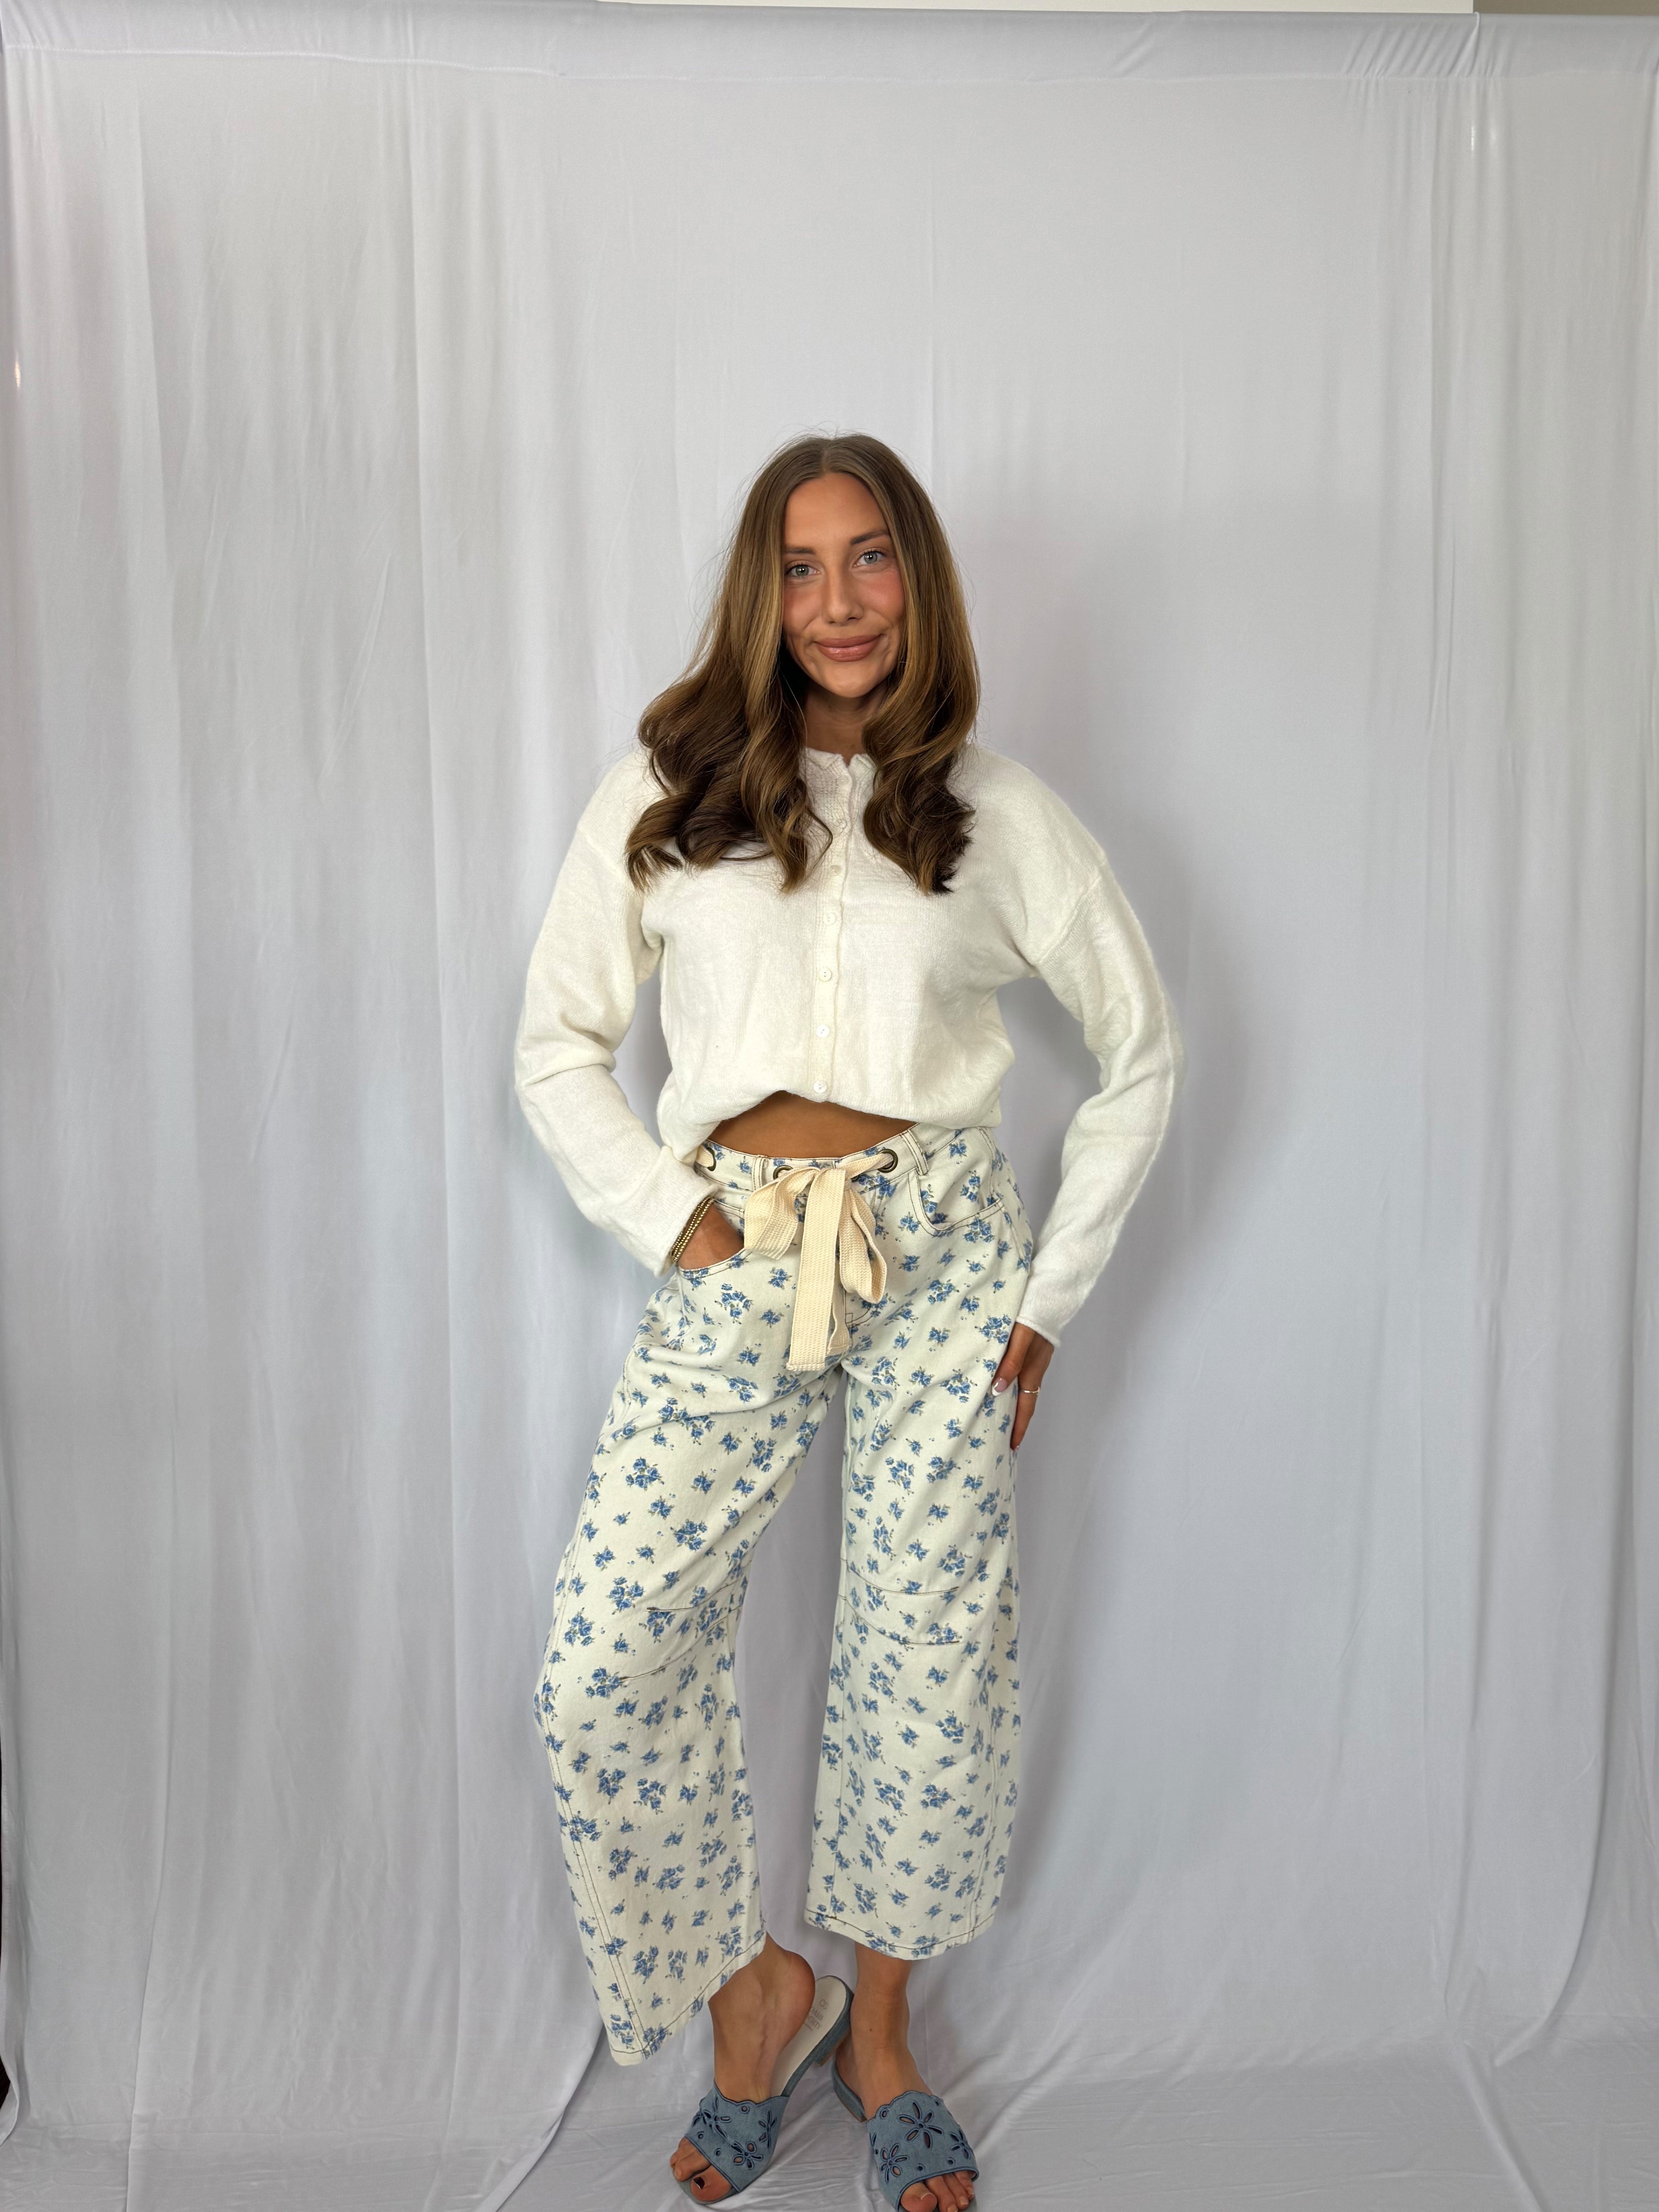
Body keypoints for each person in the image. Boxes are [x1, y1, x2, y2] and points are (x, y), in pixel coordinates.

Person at [515, 433, 1184, 2211]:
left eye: (870, 557)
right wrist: (675, 1218)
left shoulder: (995, 812)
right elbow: (557, 1045)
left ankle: (883, 2037)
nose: (838, 602)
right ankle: (760, 1995)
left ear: (919, 578)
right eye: (802, 566)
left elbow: (1143, 1050)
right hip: (737, 1246)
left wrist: (1050, 1294)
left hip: (942, 1252)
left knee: (926, 1654)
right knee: (600, 1661)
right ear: (763, 590)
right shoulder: (669, 795)